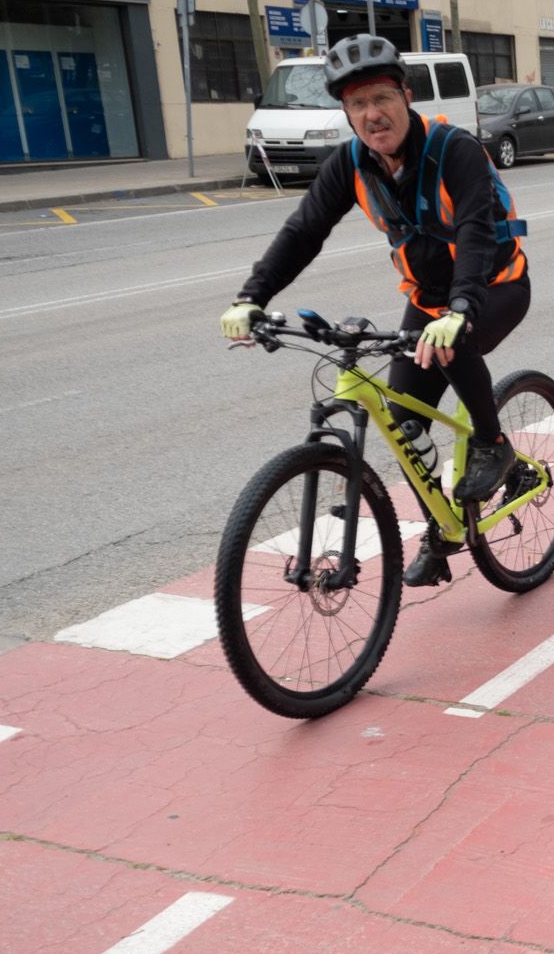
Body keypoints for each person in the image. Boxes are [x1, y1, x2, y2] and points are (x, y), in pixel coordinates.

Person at [220, 34, 530, 586]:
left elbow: (477, 233)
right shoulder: (351, 165)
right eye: (357, 104)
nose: (372, 114)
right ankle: (443, 534)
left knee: (448, 343)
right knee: (406, 422)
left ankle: (493, 442)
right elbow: (303, 231)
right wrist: (252, 297)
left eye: (382, 98)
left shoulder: (453, 150)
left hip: (495, 286)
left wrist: (460, 308)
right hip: (426, 299)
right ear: (345, 111)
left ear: (405, 96)